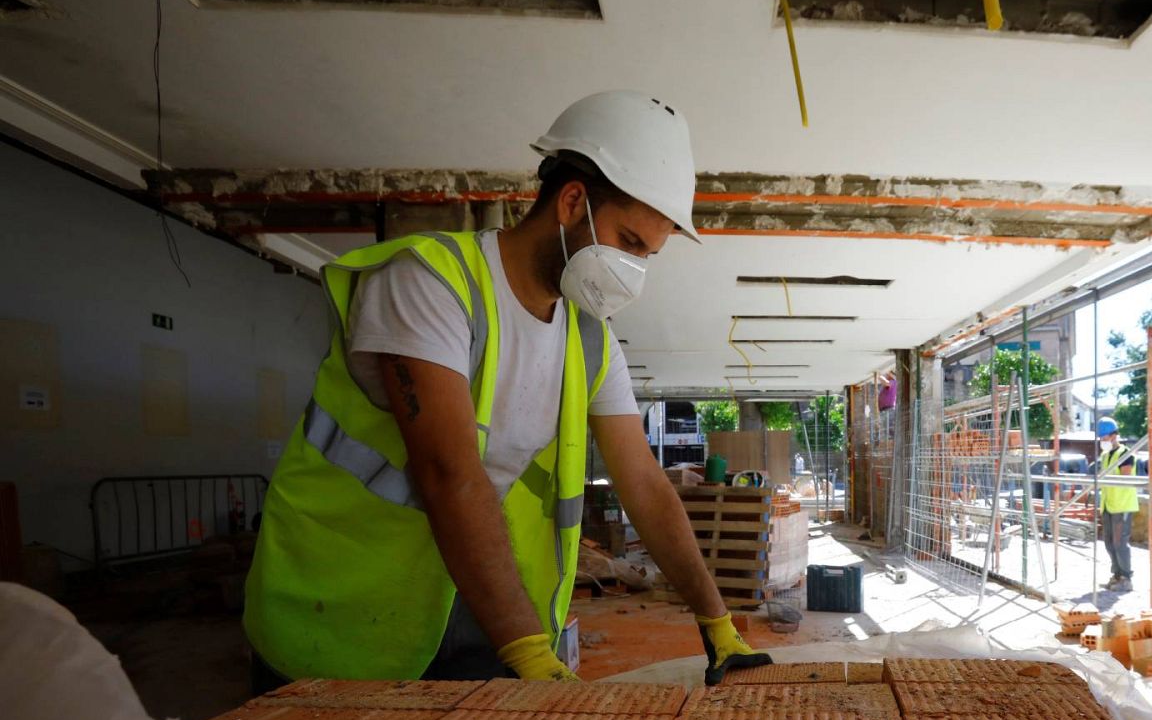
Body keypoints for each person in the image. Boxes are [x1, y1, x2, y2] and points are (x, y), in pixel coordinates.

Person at [243, 91, 772, 689]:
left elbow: (646, 486)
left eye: (647, 255)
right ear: (573, 202)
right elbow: (449, 473)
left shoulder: (590, 340)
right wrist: (530, 656)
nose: (633, 271)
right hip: (342, 599)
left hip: (468, 602)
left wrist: (717, 622)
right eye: (628, 242)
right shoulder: (431, 283)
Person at [1096, 417, 1137, 591]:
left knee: (1120, 543)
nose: (1101, 441)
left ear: (1114, 436)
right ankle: (1117, 575)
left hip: (1122, 505)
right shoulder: (1105, 456)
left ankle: (1126, 578)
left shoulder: (1126, 454)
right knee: (1109, 543)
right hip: (1108, 504)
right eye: (1100, 438)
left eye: (1104, 437)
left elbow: (1125, 479)